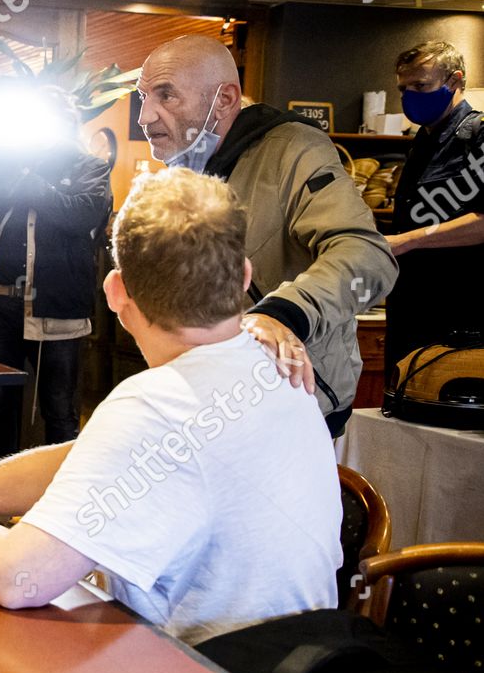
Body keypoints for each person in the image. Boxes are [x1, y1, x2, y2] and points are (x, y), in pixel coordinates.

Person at [0, 168, 341, 644]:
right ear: (245, 278)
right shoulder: (278, 365)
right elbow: (87, 462)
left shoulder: (156, 403)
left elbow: (17, 576)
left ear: (115, 290)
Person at [136, 35, 397, 436]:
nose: (145, 116)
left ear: (224, 100)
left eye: (165, 95)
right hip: (213, 402)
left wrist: (284, 314)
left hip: (297, 401)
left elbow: (368, 255)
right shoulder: (184, 168)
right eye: (144, 96)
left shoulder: (294, 148)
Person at [0, 85, 112, 462]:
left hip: (56, 308)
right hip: (0, 303)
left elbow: (82, 215)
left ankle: (61, 500)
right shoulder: (6, 163)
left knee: (59, 409)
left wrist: (30, 182)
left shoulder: (88, 166)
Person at [383, 41, 484, 371]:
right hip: (411, 304)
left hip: (460, 311)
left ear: (454, 81)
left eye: (421, 85)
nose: (410, 95)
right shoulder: (422, 142)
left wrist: (408, 240)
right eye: (404, 87)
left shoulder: (478, 136)